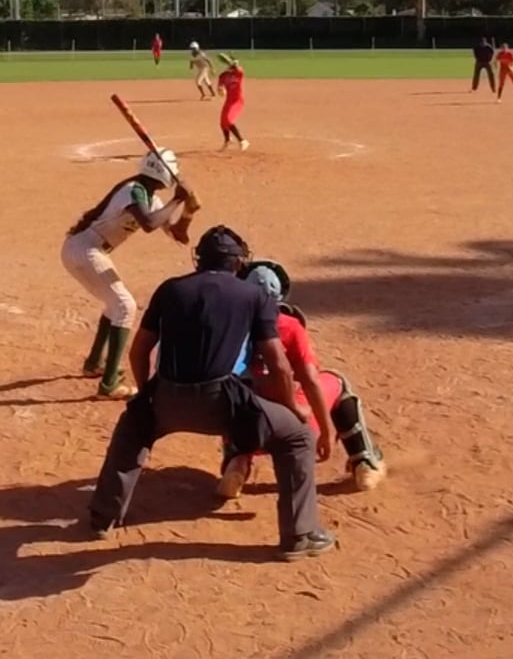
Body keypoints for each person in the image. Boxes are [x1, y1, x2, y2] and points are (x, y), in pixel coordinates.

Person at [88, 225, 337, 561]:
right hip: (223, 403)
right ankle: (299, 535)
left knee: (132, 429)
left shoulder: (170, 289)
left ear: (199, 260)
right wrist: (293, 407)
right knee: (297, 437)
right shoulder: (255, 297)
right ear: (239, 263)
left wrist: (148, 395)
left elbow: (139, 350)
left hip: (166, 398)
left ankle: (103, 518)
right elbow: (279, 365)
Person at [218, 258, 386, 498]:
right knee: (337, 382)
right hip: (292, 422)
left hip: (247, 425)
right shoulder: (289, 325)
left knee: (235, 395)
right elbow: (310, 379)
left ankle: (236, 462)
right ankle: (365, 462)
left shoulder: (230, 324)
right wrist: (326, 432)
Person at [62, 148, 197, 399]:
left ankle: (94, 364)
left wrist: (188, 211)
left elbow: (178, 235)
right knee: (125, 306)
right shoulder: (133, 190)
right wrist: (177, 200)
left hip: (91, 250)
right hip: (84, 248)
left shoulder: (152, 200)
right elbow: (148, 224)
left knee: (114, 304)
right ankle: (109, 385)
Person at [216, 52, 249, 151]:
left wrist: (232, 62)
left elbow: (238, 67)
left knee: (228, 120)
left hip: (237, 101)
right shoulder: (223, 76)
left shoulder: (238, 73)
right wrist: (220, 90)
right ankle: (227, 141)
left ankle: (243, 141)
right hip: (228, 101)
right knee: (223, 123)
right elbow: (220, 89)